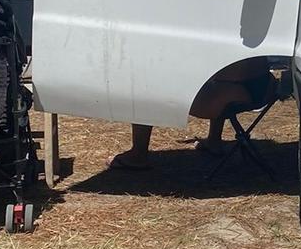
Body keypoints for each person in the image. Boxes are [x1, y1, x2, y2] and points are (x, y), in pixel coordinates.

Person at [107, 59, 274, 170]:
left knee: (145, 89)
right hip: (263, 88)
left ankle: (138, 154)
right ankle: (214, 141)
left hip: (230, 92)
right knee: (217, 78)